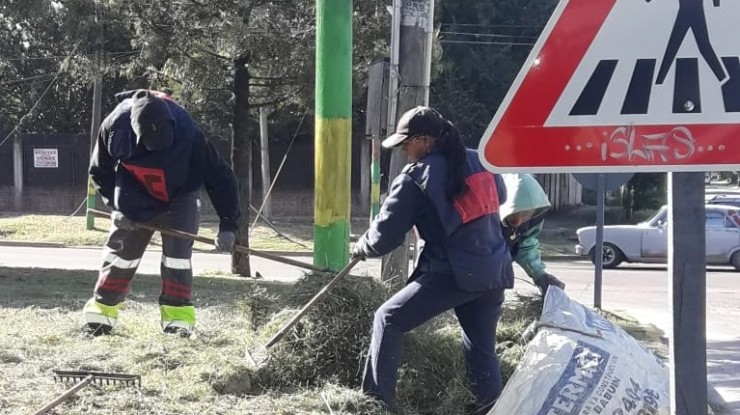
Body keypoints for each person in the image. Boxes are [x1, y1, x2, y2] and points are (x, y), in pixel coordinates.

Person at [352, 106, 514, 414]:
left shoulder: (415, 178)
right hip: (494, 268)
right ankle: (489, 407)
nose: (404, 151)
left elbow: (386, 235)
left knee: (388, 319)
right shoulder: (481, 161)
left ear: (425, 140)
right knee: (481, 349)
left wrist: (363, 246)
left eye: (406, 144)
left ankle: (374, 405)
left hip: (454, 271)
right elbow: (502, 197)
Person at [82, 89, 240, 337]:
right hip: (134, 194)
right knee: (121, 254)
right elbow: (99, 170)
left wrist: (229, 226)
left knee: (177, 258)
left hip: (179, 196)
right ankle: (100, 316)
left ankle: (177, 322)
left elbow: (221, 177)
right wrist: (115, 206)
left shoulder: (189, 132)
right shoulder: (115, 127)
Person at [499, 173, 565, 296]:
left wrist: (540, 275)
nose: (518, 221)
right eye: (514, 213)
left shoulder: (534, 219)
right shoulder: (486, 218)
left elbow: (525, 245)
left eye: (525, 215)